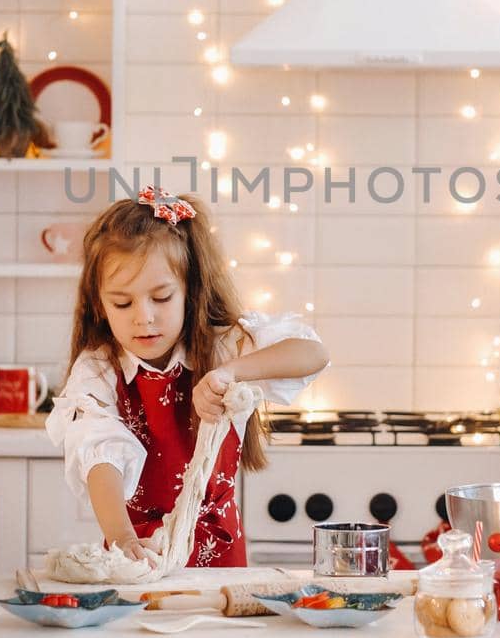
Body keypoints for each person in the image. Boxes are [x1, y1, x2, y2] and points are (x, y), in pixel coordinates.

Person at [46, 186, 329, 567]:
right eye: (122, 302)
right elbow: (100, 457)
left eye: (161, 298)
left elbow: (313, 353)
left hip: (219, 553)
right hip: (139, 553)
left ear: (189, 292)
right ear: (99, 303)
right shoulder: (98, 370)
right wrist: (121, 536)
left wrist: (229, 373)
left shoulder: (223, 346)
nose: (143, 316)